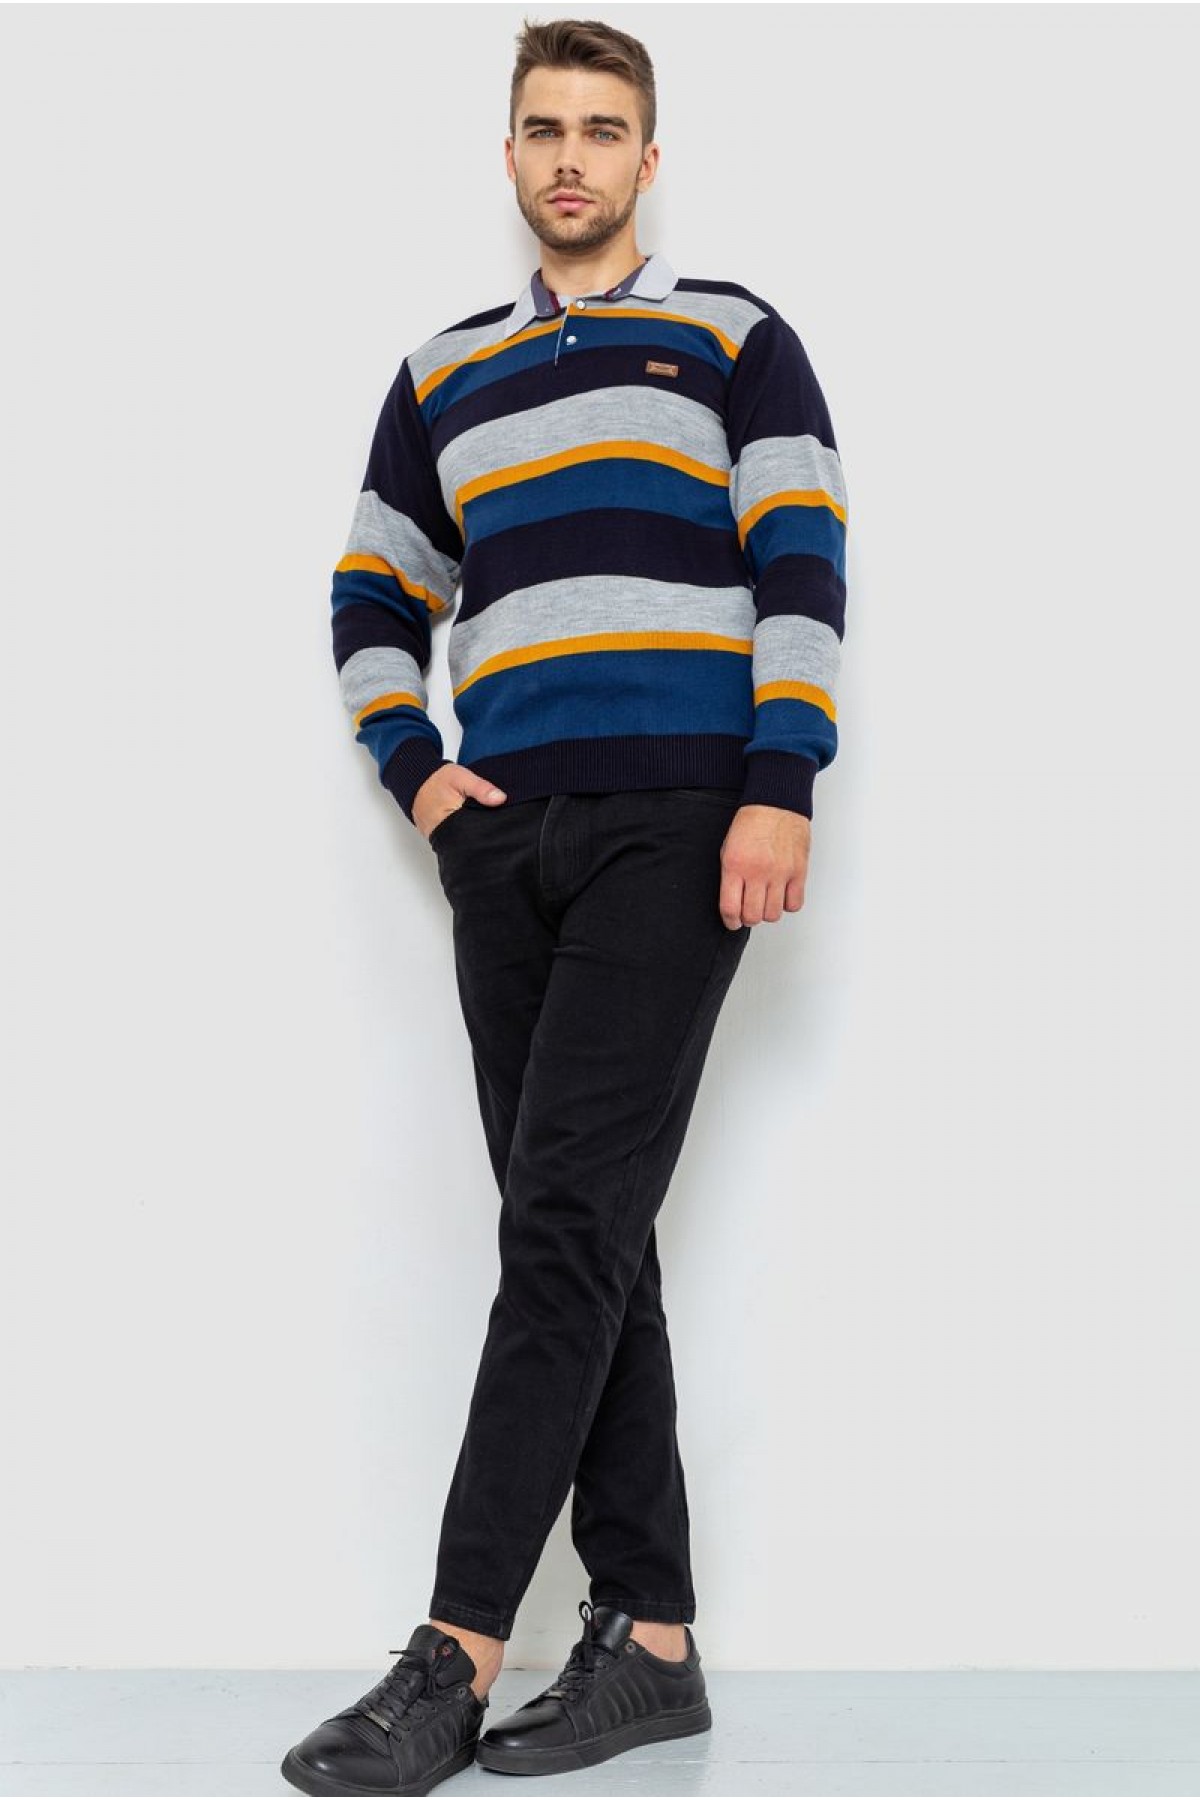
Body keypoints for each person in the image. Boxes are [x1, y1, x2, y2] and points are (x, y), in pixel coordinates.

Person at [282, 16, 848, 1796]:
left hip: (678, 822)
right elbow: (371, 590)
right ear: (511, 154)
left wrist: (781, 778)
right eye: (546, 128)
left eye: (605, 129)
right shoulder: (442, 375)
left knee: (564, 1226)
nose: (574, 156)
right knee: (582, 1226)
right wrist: (421, 776)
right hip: (507, 841)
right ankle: (652, 1640)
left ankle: (452, 1655)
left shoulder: (734, 338)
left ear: (648, 159)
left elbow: (803, 561)